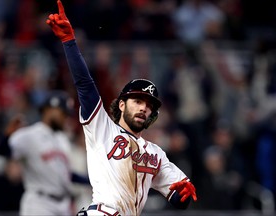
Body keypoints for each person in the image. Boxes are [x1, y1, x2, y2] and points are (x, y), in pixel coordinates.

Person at [46, 1, 197, 215]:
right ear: (122, 104)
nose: (144, 107)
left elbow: (179, 200)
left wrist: (185, 193)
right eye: (138, 101)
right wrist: (69, 43)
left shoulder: (157, 154)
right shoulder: (102, 128)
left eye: (148, 105)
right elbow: (85, 86)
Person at [0, 90, 90, 216]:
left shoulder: (62, 139)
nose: (65, 118)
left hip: (63, 204)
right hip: (39, 203)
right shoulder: (29, 135)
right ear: (48, 110)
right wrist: (7, 136)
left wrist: (91, 181)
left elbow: (67, 174)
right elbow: (3, 152)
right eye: (63, 113)